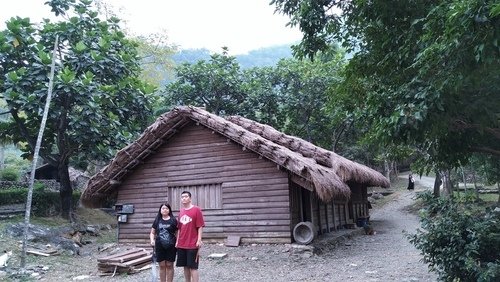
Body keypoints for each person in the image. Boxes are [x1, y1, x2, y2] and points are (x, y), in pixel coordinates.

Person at [176, 191, 205, 282]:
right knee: (185, 266)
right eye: (182, 197)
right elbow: (179, 228)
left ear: (190, 198)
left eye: (186, 196)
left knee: (193, 267)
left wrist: (199, 240)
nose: (184, 198)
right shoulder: (181, 211)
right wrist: (177, 241)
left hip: (192, 243)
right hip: (182, 243)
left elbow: (200, 226)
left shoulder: (197, 210)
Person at [150, 203, 178, 282]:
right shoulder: (157, 220)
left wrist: (177, 242)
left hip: (171, 245)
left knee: (169, 265)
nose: (165, 210)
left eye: (166, 208)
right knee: (162, 265)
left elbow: (177, 232)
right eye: (163, 208)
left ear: (169, 210)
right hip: (159, 245)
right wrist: (152, 240)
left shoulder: (173, 220)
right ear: (160, 210)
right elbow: (152, 232)